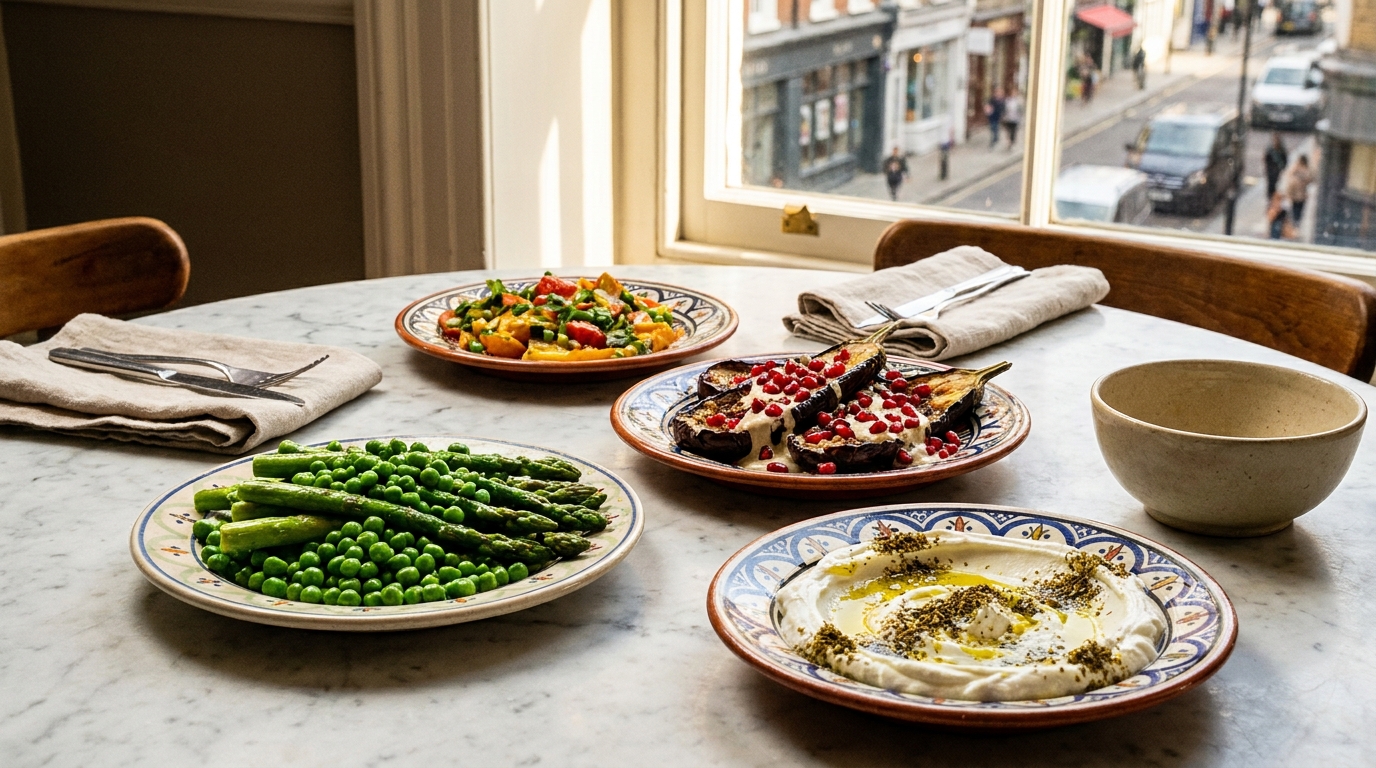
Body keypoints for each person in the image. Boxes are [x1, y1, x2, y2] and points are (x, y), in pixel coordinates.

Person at [1287, 154, 1315, 226]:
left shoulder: (1304, 169)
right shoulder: (1296, 168)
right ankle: (1294, 226)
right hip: (1296, 193)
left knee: (1297, 211)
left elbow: (1311, 179)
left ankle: (1295, 226)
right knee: (1295, 211)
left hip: (1300, 194)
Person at [1264, 133, 1289, 199]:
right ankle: (1270, 197)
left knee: (1275, 184)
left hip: (1277, 170)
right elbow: (1266, 159)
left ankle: (1273, 197)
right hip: (1270, 170)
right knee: (1270, 184)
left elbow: (1285, 159)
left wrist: (1282, 167)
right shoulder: (1270, 149)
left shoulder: (1281, 150)